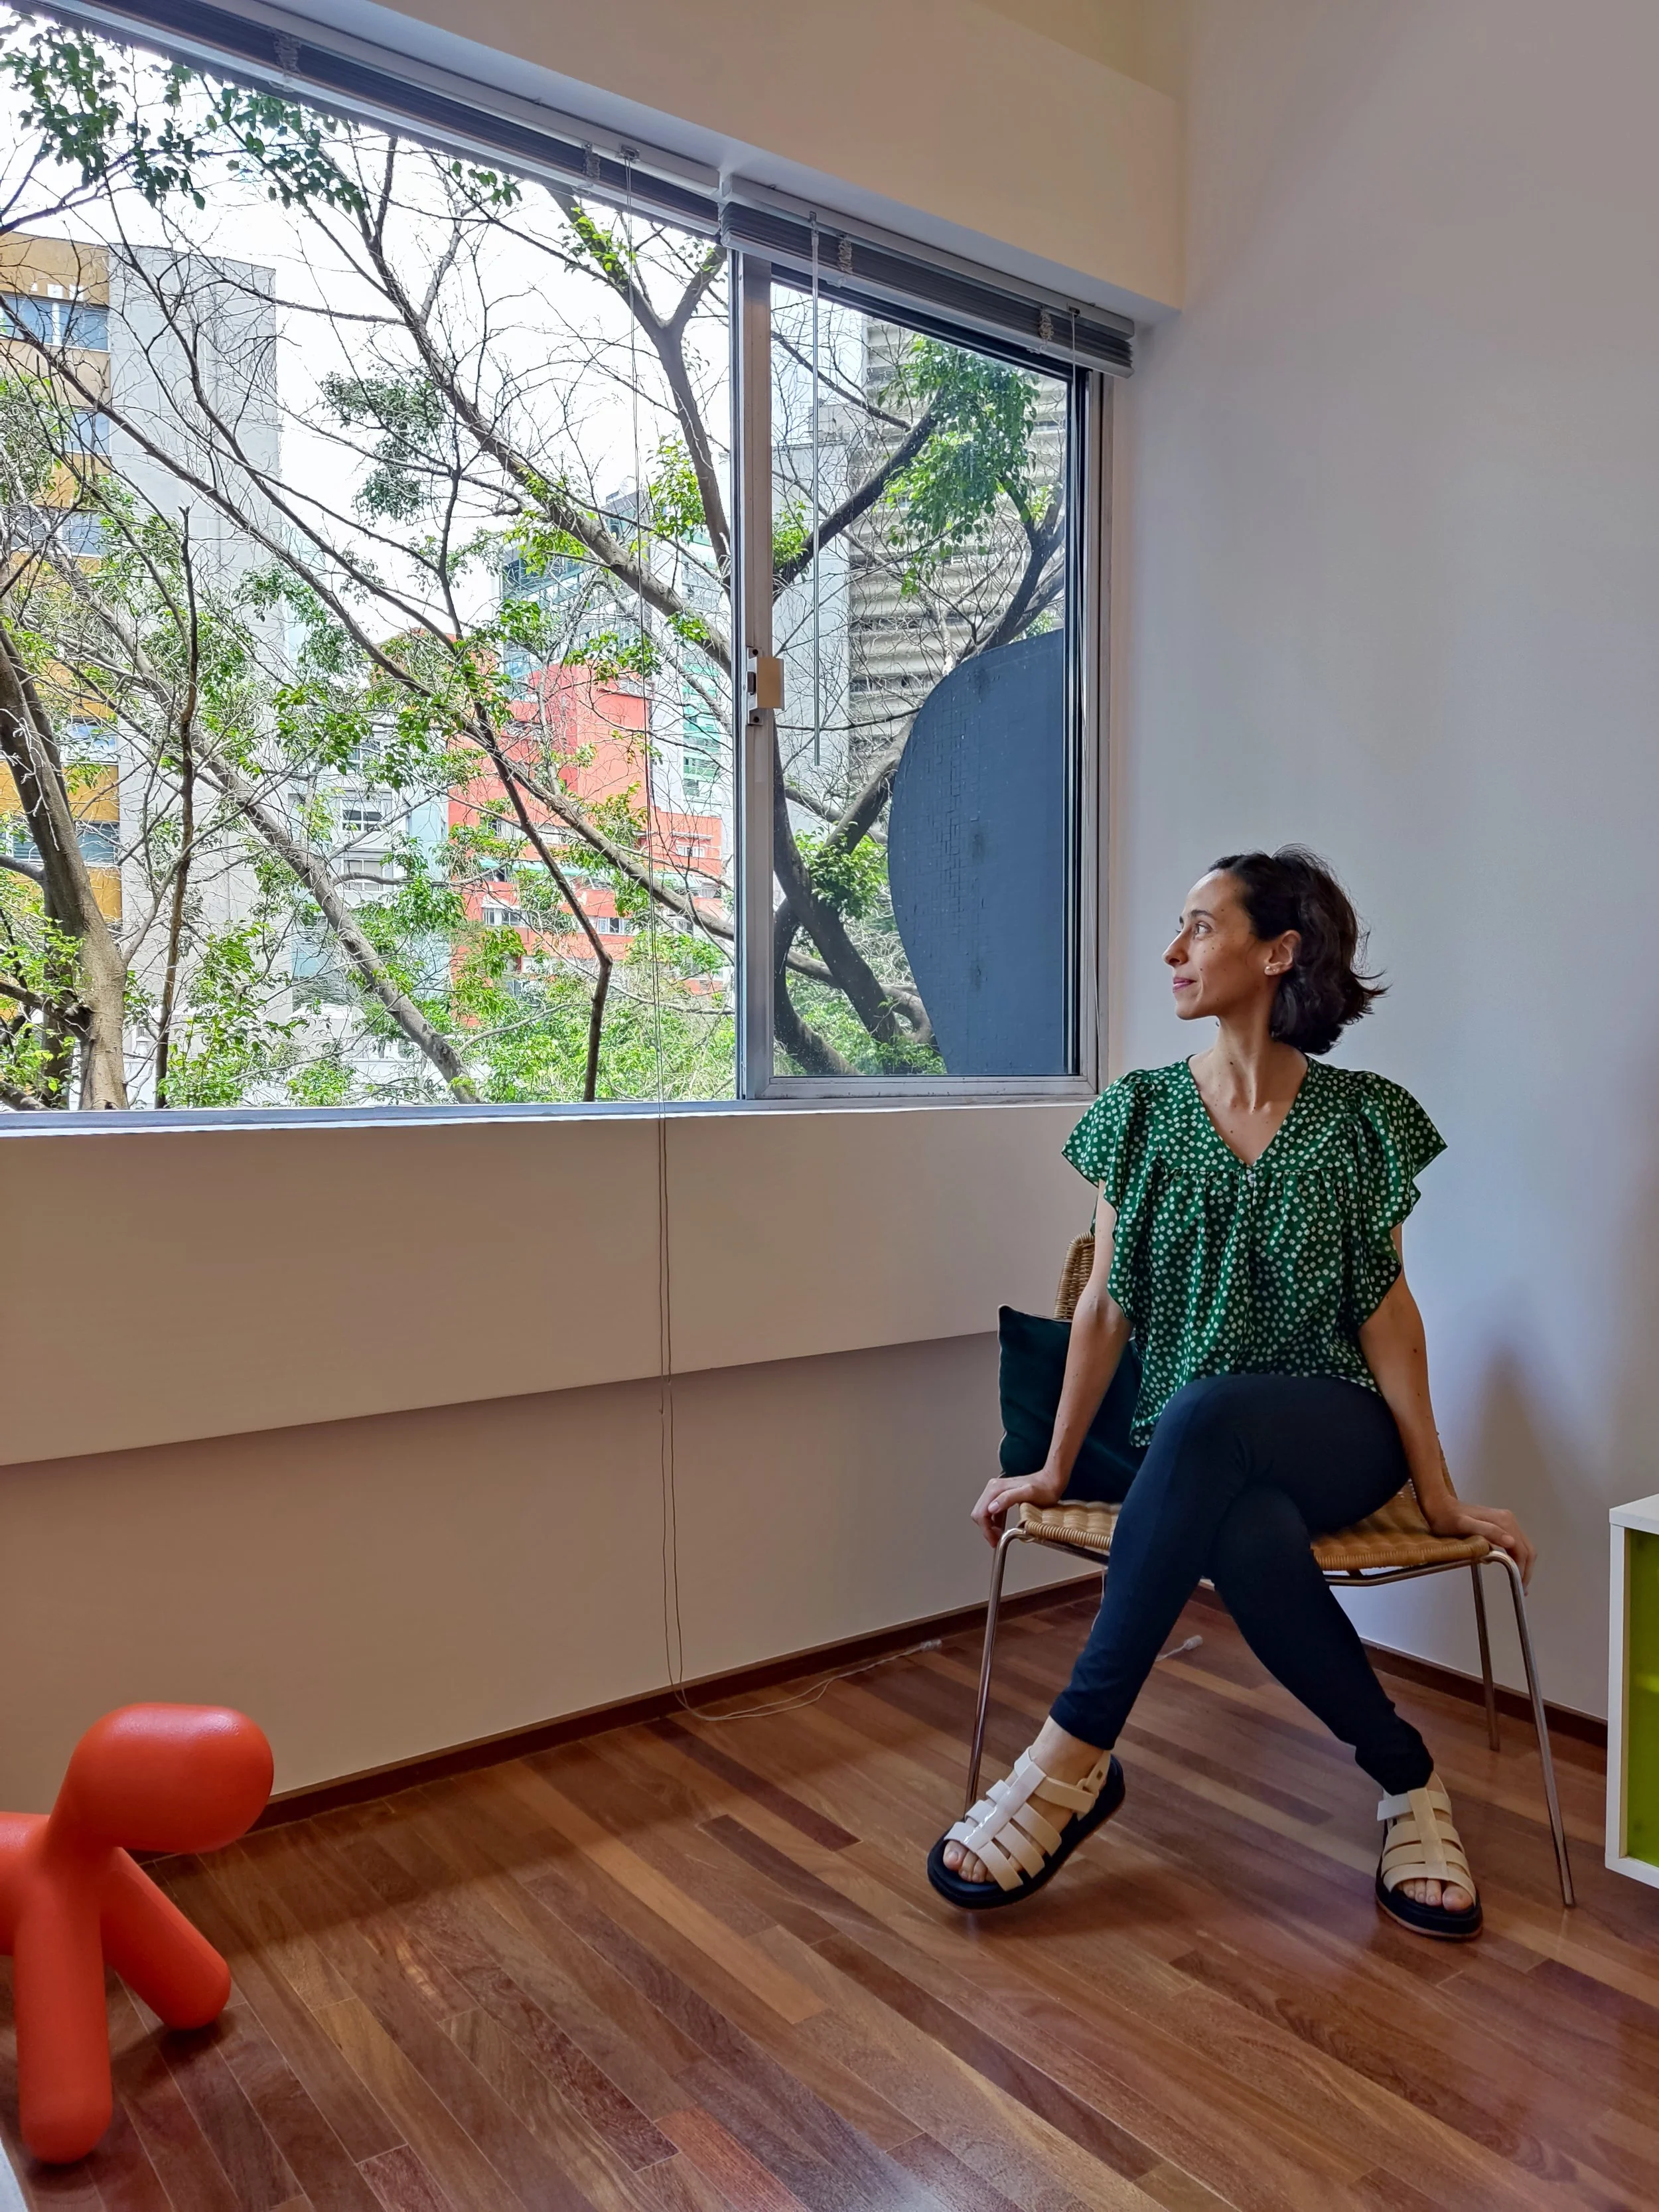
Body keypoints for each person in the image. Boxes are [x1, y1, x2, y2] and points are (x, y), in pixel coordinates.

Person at [928, 847, 1533, 1941]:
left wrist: (1440, 1497)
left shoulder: (1362, 1120)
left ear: (1278, 951)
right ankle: (1408, 1785)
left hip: (1336, 1431)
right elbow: (1105, 1308)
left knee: (1209, 1414)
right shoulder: (1144, 1112)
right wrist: (1055, 1467)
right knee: (1243, 1521)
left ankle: (1071, 1752)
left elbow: (1388, 1321)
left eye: (1200, 927)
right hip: (1200, 1462)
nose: (1173, 950)